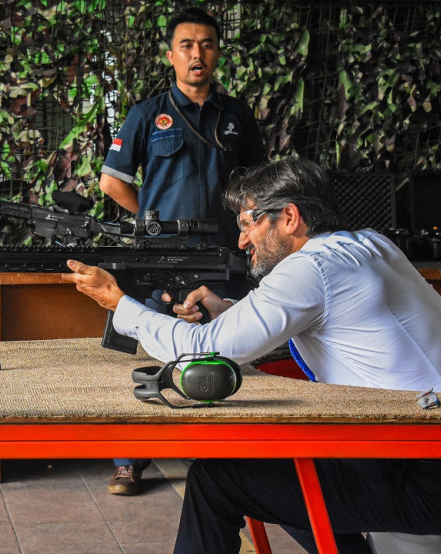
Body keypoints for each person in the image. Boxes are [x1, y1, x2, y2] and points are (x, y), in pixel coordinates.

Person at [64, 158, 441, 552]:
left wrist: (118, 302)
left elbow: (197, 351)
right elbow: (327, 325)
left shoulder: (310, 268)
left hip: (437, 477)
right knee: (282, 465)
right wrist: (229, 314)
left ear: (289, 217)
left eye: (248, 223)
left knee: (217, 479)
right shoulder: (368, 245)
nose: (241, 240)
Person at [98, 6, 265, 495]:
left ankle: (228, 459)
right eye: (187, 45)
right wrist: (149, 222)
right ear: (171, 54)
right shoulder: (146, 114)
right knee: (149, 343)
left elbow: (258, 185)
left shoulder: (237, 116)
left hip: (223, 255)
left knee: (227, 349)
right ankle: (129, 460)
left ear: (217, 53)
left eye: (207, 44)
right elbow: (112, 182)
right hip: (160, 256)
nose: (198, 54)